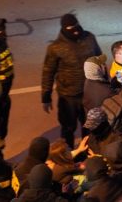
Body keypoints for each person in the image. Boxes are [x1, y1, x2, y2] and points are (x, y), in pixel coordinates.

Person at [41, 13, 102, 149]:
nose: (74, 31)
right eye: (70, 28)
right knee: (68, 128)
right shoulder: (55, 48)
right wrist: (46, 95)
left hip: (89, 93)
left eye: (75, 27)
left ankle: (87, 151)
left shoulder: (89, 38)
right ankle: (68, 155)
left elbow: (99, 60)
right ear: (64, 29)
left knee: (90, 126)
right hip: (68, 96)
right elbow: (48, 71)